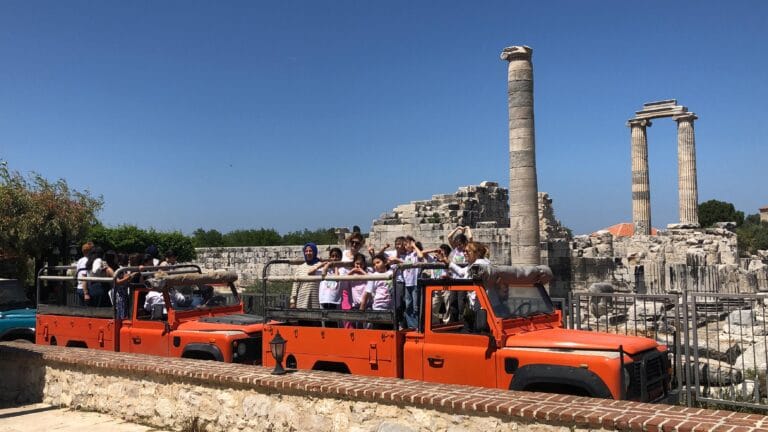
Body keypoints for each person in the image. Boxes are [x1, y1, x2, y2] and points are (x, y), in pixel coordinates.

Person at [339, 253, 369, 329]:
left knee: (365, 327)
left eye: (361, 264)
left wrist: (362, 272)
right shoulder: (351, 275)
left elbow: (371, 281)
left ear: (364, 264)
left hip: (367, 305)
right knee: (356, 327)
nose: (359, 266)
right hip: (355, 305)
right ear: (354, 264)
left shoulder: (368, 273)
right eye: (357, 264)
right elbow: (342, 284)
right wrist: (351, 272)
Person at [289, 242, 322, 309]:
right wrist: (292, 301)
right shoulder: (300, 268)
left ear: (314, 252)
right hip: (302, 301)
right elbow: (295, 285)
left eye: (310, 251)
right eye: (306, 251)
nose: (308, 253)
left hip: (316, 301)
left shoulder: (320, 265)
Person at [75, 241, 94, 306]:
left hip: (80, 287)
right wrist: (86, 293)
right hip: (85, 289)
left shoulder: (80, 260)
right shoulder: (86, 261)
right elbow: (84, 276)